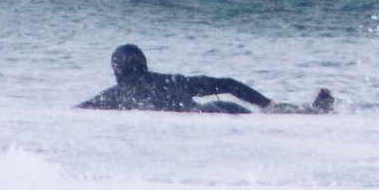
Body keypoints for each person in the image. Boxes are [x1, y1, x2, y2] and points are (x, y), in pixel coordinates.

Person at [77, 43, 334, 113]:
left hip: (197, 122)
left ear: (116, 70)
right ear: (144, 64)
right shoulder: (173, 81)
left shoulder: (111, 98)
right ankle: (305, 110)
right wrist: (267, 103)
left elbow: (79, 111)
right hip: (216, 110)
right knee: (267, 114)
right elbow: (228, 84)